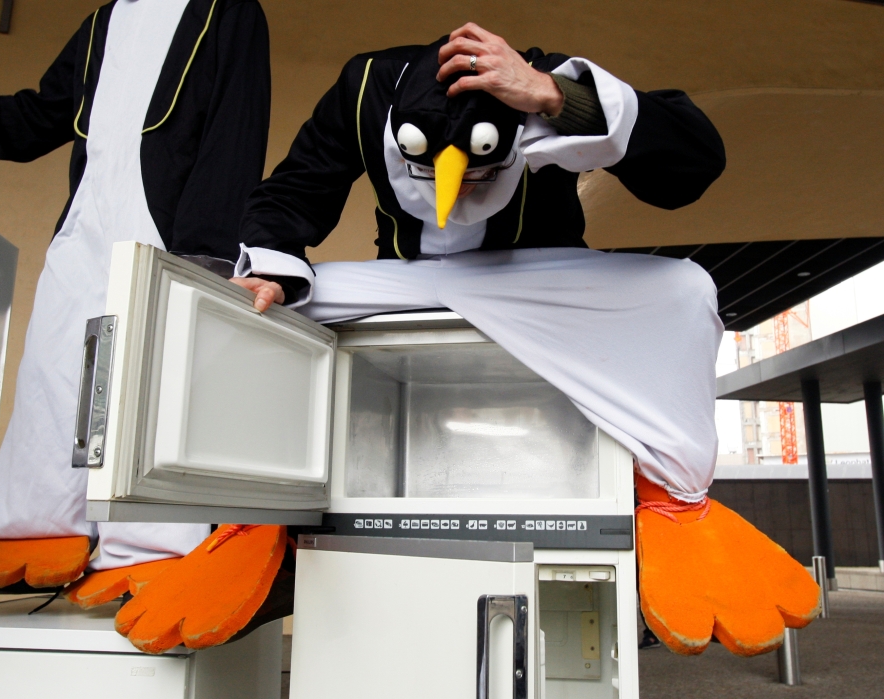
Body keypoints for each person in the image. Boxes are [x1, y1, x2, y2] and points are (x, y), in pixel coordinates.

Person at [229, 23, 822, 657]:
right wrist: (271, 266)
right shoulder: (366, 83)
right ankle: (258, 521)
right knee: (264, 300)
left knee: (682, 291)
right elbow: (295, 189)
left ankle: (676, 511)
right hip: (409, 279)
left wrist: (554, 97)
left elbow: (693, 165)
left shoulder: (548, 83)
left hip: (540, 280)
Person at [0, 0, 289, 652]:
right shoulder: (105, 19)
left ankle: (152, 547)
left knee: (149, 387)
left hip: (167, 225)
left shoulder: (229, 13)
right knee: (54, 362)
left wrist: (207, 252)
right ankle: (35, 521)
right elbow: (41, 115)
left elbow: (235, 129)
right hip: (88, 218)